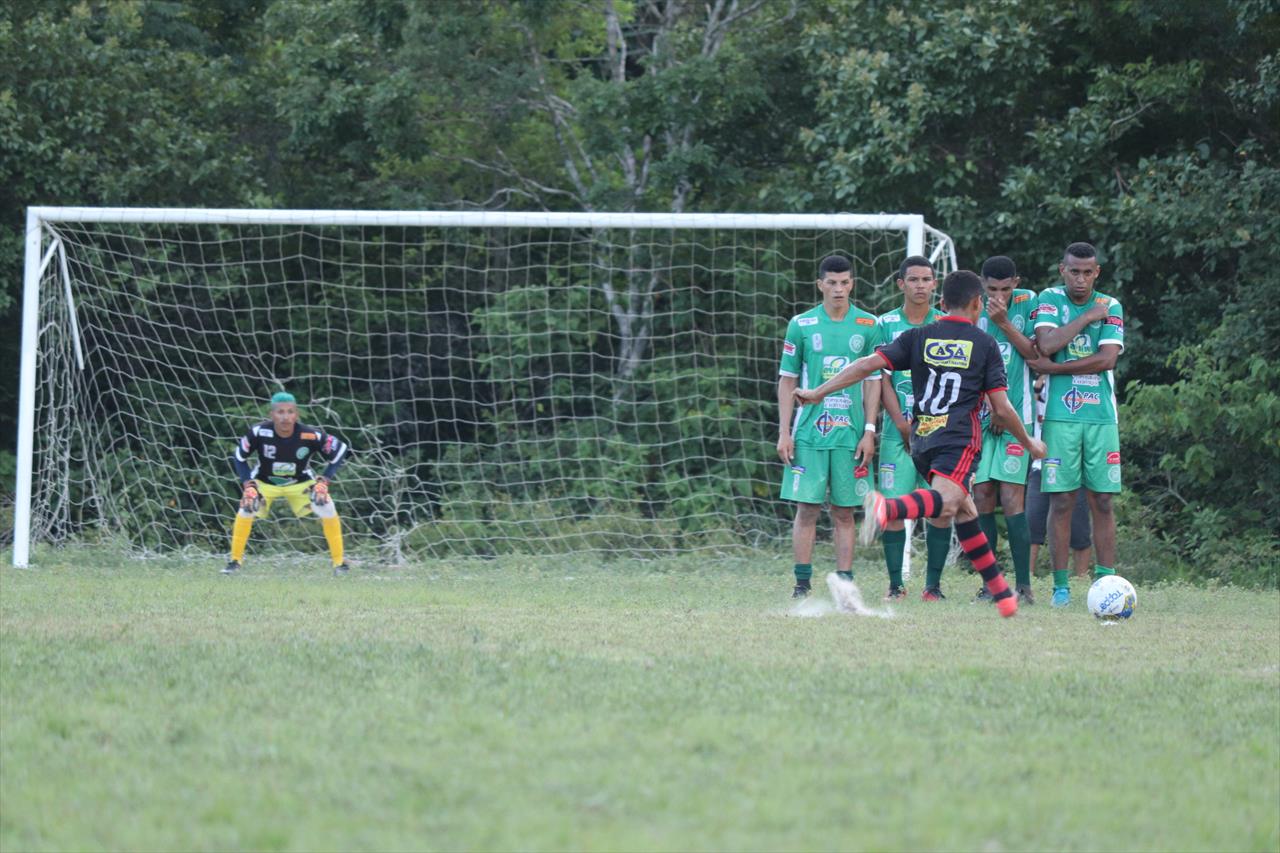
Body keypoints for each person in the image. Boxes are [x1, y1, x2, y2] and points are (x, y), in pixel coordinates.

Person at [796, 270, 1048, 618]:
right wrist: (1030, 442)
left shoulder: (918, 336)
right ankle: (888, 509)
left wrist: (817, 392)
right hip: (958, 440)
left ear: (942, 303)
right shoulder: (985, 343)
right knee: (946, 504)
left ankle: (1003, 597)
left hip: (922, 440)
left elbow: (867, 365)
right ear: (978, 304)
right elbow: (1002, 408)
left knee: (966, 513)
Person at [777, 254, 881, 598]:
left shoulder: (869, 325)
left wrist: (869, 430)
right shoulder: (801, 324)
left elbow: (873, 380)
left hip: (850, 434)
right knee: (806, 509)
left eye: (845, 282)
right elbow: (787, 380)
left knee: (844, 512)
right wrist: (784, 432)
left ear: (853, 284)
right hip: (808, 433)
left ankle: (845, 583)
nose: (839, 289)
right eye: (832, 283)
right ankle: (801, 584)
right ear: (820, 284)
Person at [1032, 242, 1125, 607]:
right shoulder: (1050, 299)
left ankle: (1106, 583)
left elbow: (1106, 360)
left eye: (1088, 272)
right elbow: (1048, 341)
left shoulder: (1112, 304)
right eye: (1074, 271)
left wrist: (1055, 368)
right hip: (1059, 416)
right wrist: (1086, 318)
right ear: (1062, 269)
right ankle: (1060, 587)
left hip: (1101, 417)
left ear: (1097, 272)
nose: (1081, 279)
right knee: (1063, 499)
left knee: (1102, 500)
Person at [969, 256, 1051, 605]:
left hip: (1019, 416)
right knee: (982, 495)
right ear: (982, 284)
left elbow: (1035, 355)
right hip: (980, 417)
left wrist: (1003, 323)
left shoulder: (1030, 302)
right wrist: (990, 407)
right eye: (992, 290)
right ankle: (990, 584)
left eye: (1006, 289)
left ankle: (1024, 585)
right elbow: (968, 361)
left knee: (1011, 497)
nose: (999, 296)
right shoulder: (972, 307)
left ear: (1016, 282)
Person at [875, 256, 945, 600]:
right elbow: (879, 377)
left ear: (935, 284)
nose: (920, 285)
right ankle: (895, 586)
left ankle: (933, 587)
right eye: (913, 279)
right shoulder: (885, 324)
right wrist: (902, 425)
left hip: (940, 435)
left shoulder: (947, 324)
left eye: (926, 279)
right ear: (901, 284)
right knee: (893, 508)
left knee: (940, 508)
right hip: (896, 435)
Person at [225, 391, 352, 575]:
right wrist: (248, 484)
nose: (286, 417)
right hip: (264, 481)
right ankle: (234, 562)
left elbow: (340, 450)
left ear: (296, 414)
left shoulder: (310, 435)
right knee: (246, 507)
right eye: (281, 412)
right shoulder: (259, 432)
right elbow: (239, 457)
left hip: (300, 482)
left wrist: (325, 480)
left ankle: (339, 564)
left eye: (290, 412)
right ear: (272, 414)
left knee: (327, 506)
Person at [1025, 374, 1093, 577]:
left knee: (1080, 528)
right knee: (1031, 523)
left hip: (1072, 465)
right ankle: (1025, 578)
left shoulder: (1074, 385)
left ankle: (1080, 579)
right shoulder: (1030, 385)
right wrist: (1038, 385)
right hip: (1041, 464)